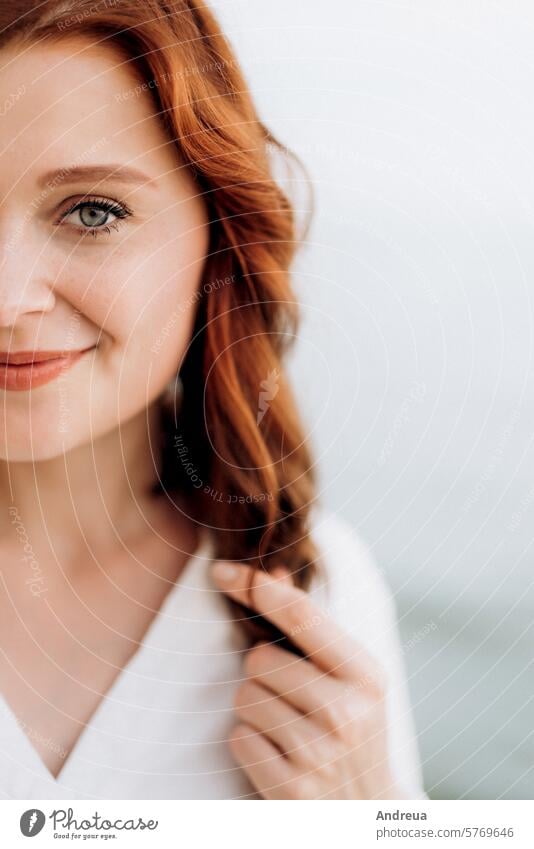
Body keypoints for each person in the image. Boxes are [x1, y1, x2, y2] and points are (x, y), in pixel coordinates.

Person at [0, 0, 425, 800]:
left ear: (216, 238)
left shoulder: (319, 597)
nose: (8, 297)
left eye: (94, 211)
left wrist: (371, 815)